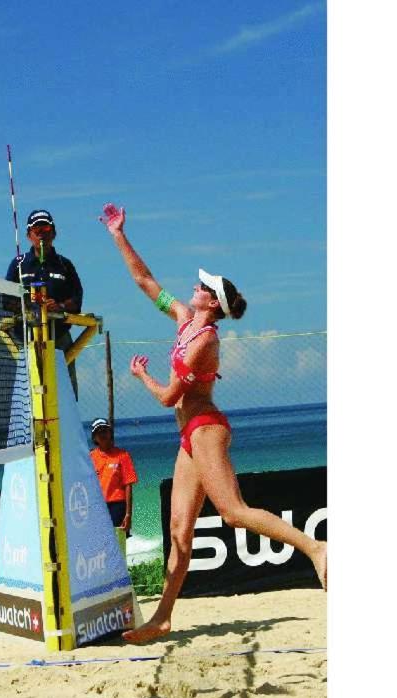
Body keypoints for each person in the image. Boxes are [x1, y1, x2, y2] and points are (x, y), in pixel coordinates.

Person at [98, 203, 326, 645]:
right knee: (179, 532)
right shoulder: (184, 320)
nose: (195, 287)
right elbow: (146, 281)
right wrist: (118, 235)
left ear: (213, 303)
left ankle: (315, 548)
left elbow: (168, 397)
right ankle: (162, 618)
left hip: (206, 428)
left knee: (232, 512)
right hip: (189, 435)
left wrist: (142, 375)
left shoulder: (203, 343)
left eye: (203, 287)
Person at [4, 208, 84, 398]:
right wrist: (29, 306)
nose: (41, 234)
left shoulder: (65, 265)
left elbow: (77, 299)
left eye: (46, 229)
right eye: (36, 230)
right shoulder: (18, 264)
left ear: (54, 233)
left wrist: (59, 306)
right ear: (28, 235)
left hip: (59, 339)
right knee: (29, 394)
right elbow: (6, 300)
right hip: (26, 338)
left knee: (66, 393)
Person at [89, 417, 137, 535]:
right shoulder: (90, 457)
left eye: (105, 431)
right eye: (99, 432)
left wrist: (128, 514)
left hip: (117, 505)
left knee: (117, 541)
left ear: (110, 433)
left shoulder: (122, 455)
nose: (102, 434)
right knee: (100, 541)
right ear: (94, 437)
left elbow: (128, 485)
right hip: (97, 506)